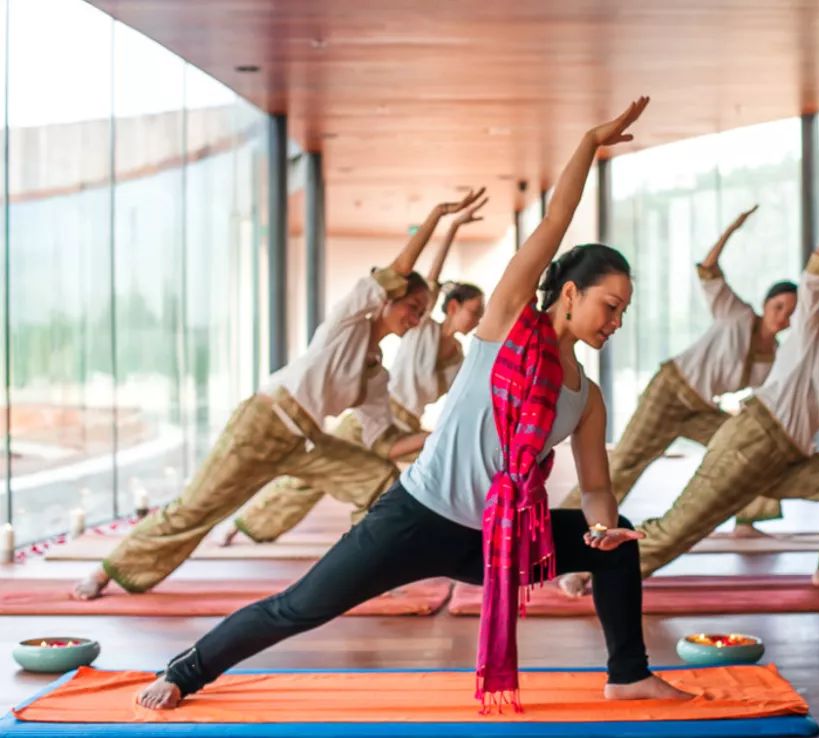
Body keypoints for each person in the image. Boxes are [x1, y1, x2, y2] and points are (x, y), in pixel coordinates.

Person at [136, 97, 689, 711]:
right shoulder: (505, 324)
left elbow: (593, 489)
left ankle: (628, 673)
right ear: (568, 292)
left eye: (624, 312)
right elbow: (554, 221)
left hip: (499, 538)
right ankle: (188, 669)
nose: (616, 320)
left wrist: (603, 530)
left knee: (619, 549)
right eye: (609, 305)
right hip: (417, 517)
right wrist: (589, 141)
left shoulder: (586, 398)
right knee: (302, 606)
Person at [72, 189, 486, 600]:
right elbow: (400, 270)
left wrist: (436, 438)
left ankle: (361, 573)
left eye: (420, 311)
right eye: (412, 307)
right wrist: (437, 217)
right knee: (195, 509)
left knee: (379, 480)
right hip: (263, 424)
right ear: (387, 301)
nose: (415, 318)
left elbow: (385, 442)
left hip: (307, 442)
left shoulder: (376, 376)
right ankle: (109, 570)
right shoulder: (349, 322)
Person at [629, 186, 819, 589]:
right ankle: (598, 568)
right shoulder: (810, 329)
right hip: (752, 441)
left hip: (789, 462)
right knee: (684, 527)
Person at [221, 197, 489, 545]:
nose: (478, 318)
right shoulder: (422, 327)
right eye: (475, 311)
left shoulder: (458, 359)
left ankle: (430, 537)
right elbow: (428, 279)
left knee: (438, 468)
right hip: (373, 419)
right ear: (451, 308)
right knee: (309, 482)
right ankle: (245, 527)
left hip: (403, 427)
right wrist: (448, 225)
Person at [559, 205, 797, 551]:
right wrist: (733, 226)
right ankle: (564, 532)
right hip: (671, 391)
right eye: (779, 307)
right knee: (623, 465)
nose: (783, 316)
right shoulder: (736, 314)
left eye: (791, 312)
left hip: (701, 408)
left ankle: (748, 521)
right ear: (766, 304)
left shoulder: (774, 355)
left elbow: (764, 399)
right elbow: (708, 268)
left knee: (746, 450)